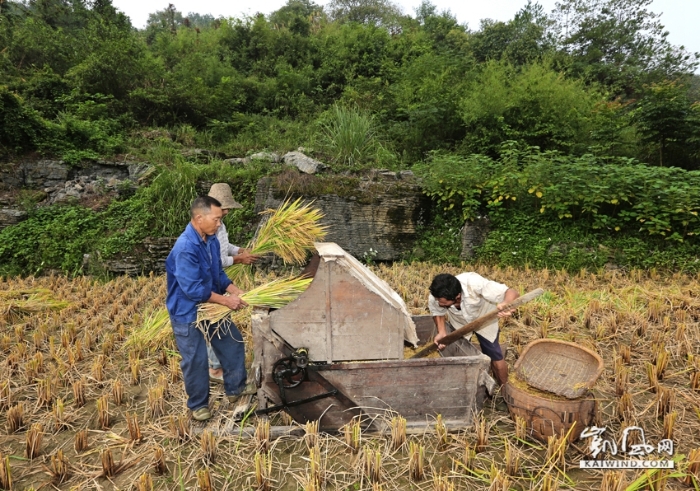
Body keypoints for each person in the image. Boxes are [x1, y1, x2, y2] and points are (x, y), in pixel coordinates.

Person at [165, 196, 252, 422]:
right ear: (199, 218)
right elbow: (193, 290)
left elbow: (218, 275)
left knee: (232, 342)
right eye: (216, 219)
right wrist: (226, 301)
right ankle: (198, 405)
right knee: (196, 359)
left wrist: (235, 291)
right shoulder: (185, 247)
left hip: (210, 307)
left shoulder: (211, 239)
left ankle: (236, 388)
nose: (219, 224)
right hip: (188, 311)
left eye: (220, 219)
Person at [206, 183, 260, 383]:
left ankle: (215, 363)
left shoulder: (219, 224)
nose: (227, 211)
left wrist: (238, 250)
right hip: (208, 281)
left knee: (215, 323)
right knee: (215, 323)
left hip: (218, 279)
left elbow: (224, 246)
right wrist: (239, 260)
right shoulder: (207, 227)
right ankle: (215, 369)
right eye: (223, 207)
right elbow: (214, 260)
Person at [428, 272, 519, 387]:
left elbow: (512, 292)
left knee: (495, 356)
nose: (439, 304)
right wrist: (442, 332)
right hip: (460, 323)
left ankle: (504, 391)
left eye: (444, 303)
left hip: (484, 319)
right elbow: (437, 312)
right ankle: (465, 387)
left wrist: (506, 303)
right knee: (461, 355)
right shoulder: (436, 296)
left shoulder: (474, 283)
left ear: (457, 296)